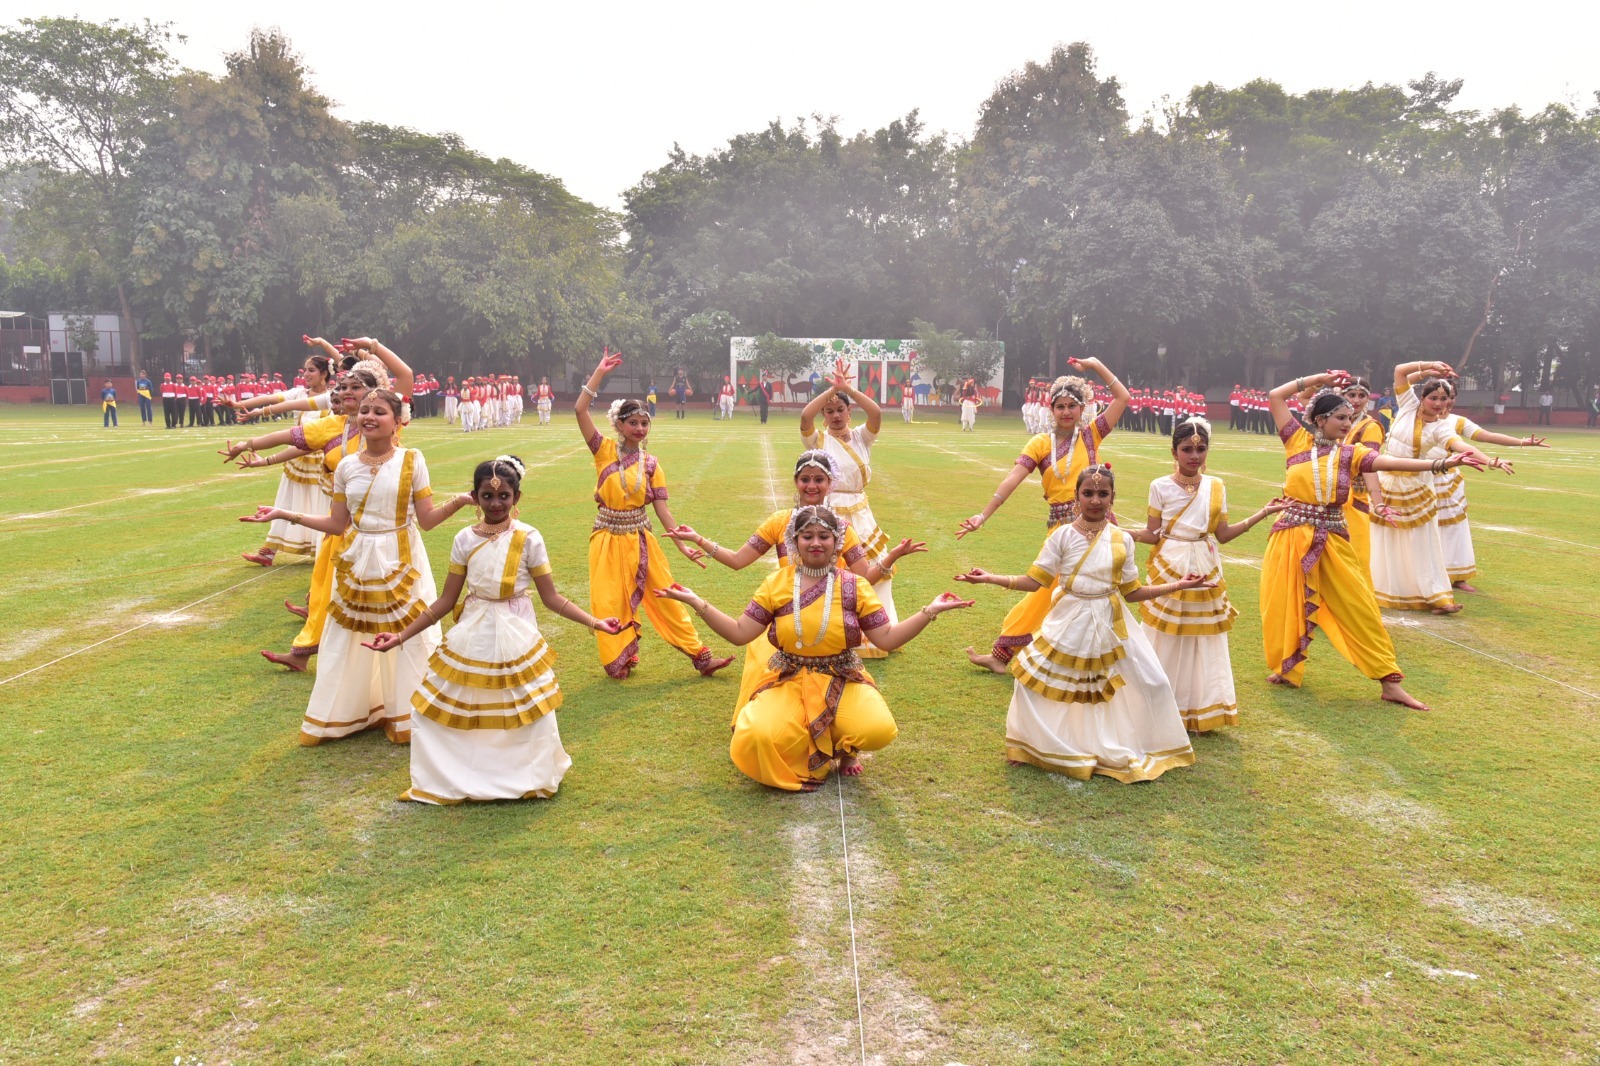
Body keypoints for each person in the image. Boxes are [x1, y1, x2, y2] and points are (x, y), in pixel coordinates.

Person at [655, 505, 972, 791]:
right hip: (789, 678)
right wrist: (697, 602)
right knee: (754, 735)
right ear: (794, 542)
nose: (816, 543)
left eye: (824, 536)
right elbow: (740, 633)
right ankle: (805, 752)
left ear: (837, 542)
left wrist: (929, 611)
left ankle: (842, 746)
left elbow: (887, 638)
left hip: (841, 677)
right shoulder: (776, 584)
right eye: (807, 536)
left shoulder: (855, 585)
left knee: (878, 729)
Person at [365, 456, 624, 804]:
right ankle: (461, 775)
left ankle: (524, 775)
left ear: (517, 497)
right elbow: (445, 601)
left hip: (516, 631)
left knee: (523, 708)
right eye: (487, 496)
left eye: (504, 496)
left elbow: (552, 598)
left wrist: (595, 623)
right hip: (473, 631)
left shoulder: (528, 538)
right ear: (475, 497)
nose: (496, 503)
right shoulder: (463, 539)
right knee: (452, 706)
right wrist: (399, 636)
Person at [240, 388, 473, 745]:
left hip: (403, 557)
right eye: (365, 410)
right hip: (356, 559)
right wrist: (284, 514)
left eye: (379, 411)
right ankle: (350, 714)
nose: (369, 417)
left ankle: (409, 713)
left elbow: (426, 521)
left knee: (409, 635)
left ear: (397, 421)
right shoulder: (347, 466)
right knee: (347, 637)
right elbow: (337, 524)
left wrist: (459, 501)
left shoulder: (412, 459)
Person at [1260, 372, 1490, 710]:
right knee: (1283, 602)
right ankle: (1286, 667)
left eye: (1349, 418)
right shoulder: (1296, 440)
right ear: (1320, 419)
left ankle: (1389, 682)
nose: (1347, 422)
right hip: (1289, 535)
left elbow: (1391, 462)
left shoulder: (1350, 453)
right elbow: (1276, 396)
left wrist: (1440, 463)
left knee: (1359, 608)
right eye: (1340, 417)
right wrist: (1321, 377)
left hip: (1332, 539)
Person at [956, 464, 1202, 781]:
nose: (1095, 500)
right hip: (1068, 618)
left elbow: (1132, 593)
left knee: (1151, 683)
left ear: (1113, 497)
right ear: (1077, 497)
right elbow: (1035, 581)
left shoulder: (1122, 540)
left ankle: (1118, 744)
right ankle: (1031, 745)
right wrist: (990, 578)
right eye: (1088, 493)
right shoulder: (1062, 536)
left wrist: (1178, 585)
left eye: (1102, 494)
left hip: (1110, 622)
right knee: (1032, 684)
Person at [665, 449, 927, 709]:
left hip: (827, 619)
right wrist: (699, 539)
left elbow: (863, 577)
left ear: (830, 484)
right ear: (796, 481)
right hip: (782, 619)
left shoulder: (840, 528)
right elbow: (737, 560)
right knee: (762, 697)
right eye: (805, 479)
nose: (811, 485)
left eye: (819, 479)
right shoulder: (779, 522)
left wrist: (891, 557)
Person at [956, 358, 1130, 672]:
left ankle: (1095, 656)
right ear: (1051, 410)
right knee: (1043, 591)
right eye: (1060, 406)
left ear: (1082, 409)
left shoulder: (1091, 435)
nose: (1066, 412)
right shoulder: (1040, 443)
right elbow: (1012, 479)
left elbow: (1122, 398)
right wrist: (983, 515)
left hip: (1099, 527)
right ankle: (1005, 654)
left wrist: (1096, 366)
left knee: (1099, 588)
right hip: (1062, 529)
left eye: (1072, 406)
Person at [575, 351, 734, 679]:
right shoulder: (603, 450)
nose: (639, 428)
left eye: (644, 423)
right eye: (633, 422)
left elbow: (663, 511)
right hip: (606, 539)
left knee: (667, 594)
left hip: (641, 539)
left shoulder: (651, 464)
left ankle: (700, 656)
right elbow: (580, 410)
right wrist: (599, 373)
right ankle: (620, 655)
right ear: (620, 425)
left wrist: (682, 546)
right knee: (609, 599)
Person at [1128, 417, 1285, 731]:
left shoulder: (1216, 486)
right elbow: (1152, 534)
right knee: (1165, 633)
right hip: (1170, 564)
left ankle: (1198, 708)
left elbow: (1222, 534)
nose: (1194, 456)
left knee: (1203, 637)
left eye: (1200, 450)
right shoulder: (1160, 486)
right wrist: (1117, 532)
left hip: (1204, 563)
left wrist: (1263, 513)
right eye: (1187, 449)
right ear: (1174, 451)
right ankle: (1156, 703)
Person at [1370, 363, 1509, 614]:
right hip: (1385, 480)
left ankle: (1437, 596)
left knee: (1423, 541)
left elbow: (1461, 446)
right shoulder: (1407, 405)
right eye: (1433, 397)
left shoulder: (1441, 427)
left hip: (1416, 485)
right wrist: (1429, 367)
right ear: (1422, 398)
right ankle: (1378, 587)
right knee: (1382, 537)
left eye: (1444, 399)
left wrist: (1489, 461)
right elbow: (1400, 371)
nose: (1438, 403)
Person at [800, 363, 901, 657]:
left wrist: (847, 389)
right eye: (829, 411)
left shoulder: (861, 437)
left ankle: (879, 632)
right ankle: (833, 632)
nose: (835, 415)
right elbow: (805, 416)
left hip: (860, 512)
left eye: (840, 409)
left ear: (849, 412)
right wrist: (832, 391)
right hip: (828, 511)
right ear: (824, 415)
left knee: (877, 567)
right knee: (831, 571)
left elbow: (876, 413)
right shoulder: (818, 440)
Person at [1431, 382, 1549, 593]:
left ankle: (1458, 576)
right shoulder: (1417, 419)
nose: (1445, 402)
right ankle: (1426, 575)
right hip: (1420, 479)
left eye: (1450, 397)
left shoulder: (1456, 421)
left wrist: (1522, 442)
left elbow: (1487, 436)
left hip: (1448, 482)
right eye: (1437, 397)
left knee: (1455, 528)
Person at [233, 341, 341, 567]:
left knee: (322, 505)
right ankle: (268, 551)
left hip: (322, 461)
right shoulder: (299, 393)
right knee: (286, 500)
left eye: (311, 370)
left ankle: (324, 551)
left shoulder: (334, 398)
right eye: (305, 370)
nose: (306, 374)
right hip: (296, 458)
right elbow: (271, 399)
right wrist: (239, 404)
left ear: (324, 374)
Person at [1338, 377, 1387, 569]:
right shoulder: (1337, 421)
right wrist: (1319, 382)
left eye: (1361, 396)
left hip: (1355, 496)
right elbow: (1305, 400)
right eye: (1351, 395)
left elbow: (1369, 465)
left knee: (1355, 553)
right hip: (1331, 493)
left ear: (1368, 399)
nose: (1356, 400)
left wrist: (1378, 502)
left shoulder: (1370, 427)